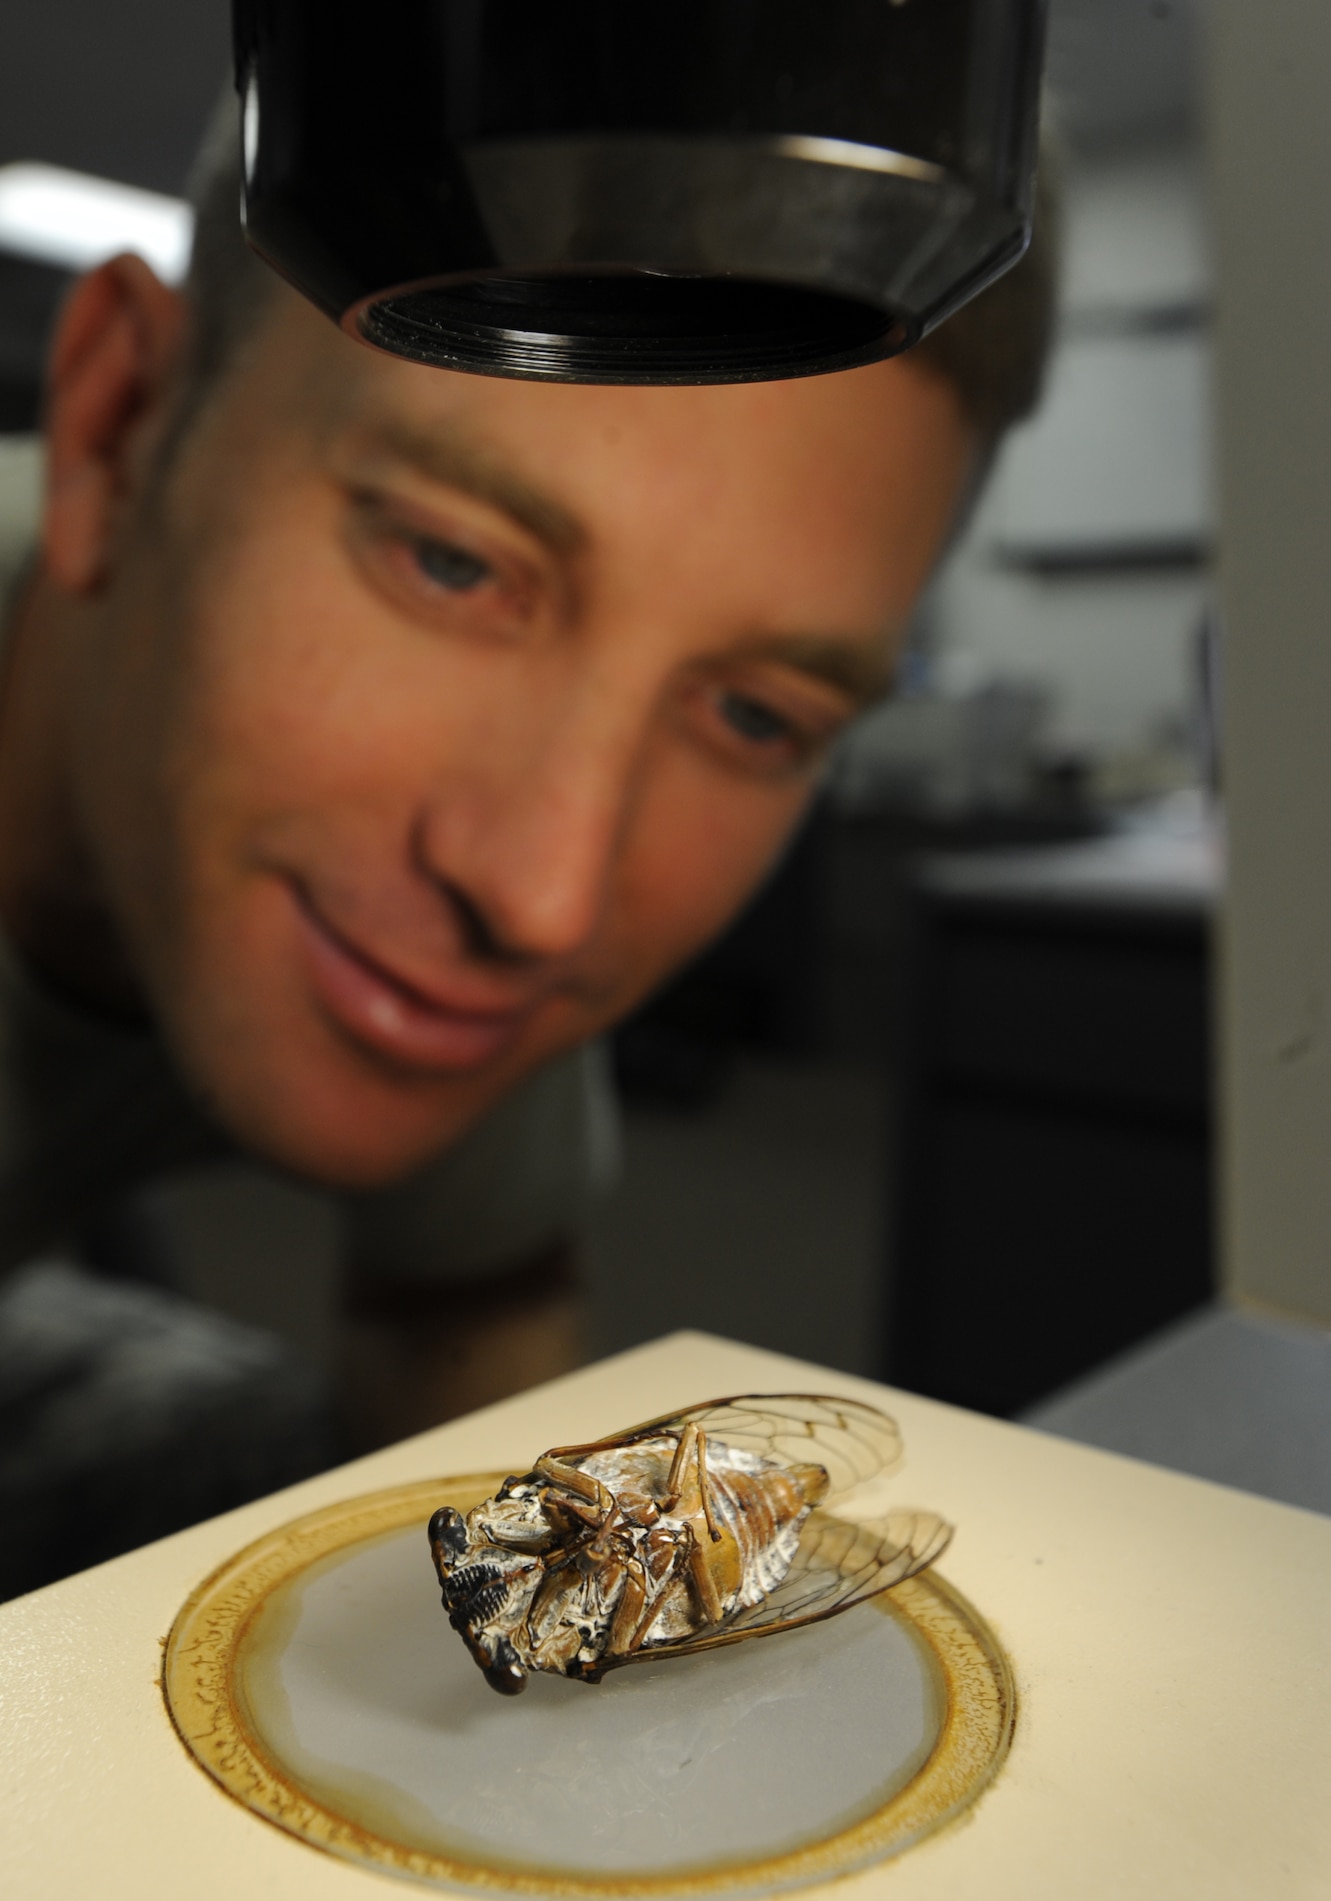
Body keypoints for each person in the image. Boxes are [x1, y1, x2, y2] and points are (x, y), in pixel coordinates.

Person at [0, 109, 1053, 1586]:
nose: (545, 897)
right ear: (116, 427)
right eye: (449, 562)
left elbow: (459, 1342)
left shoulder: (456, 905)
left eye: (751, 713)